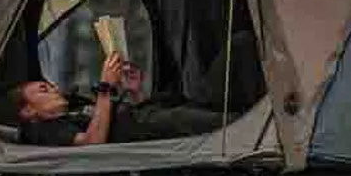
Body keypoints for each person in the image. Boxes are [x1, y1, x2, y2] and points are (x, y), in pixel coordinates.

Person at [13, 53, 226, 148]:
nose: (54, 89)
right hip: (154, 127)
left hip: (156, 113)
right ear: (28, 111)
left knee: (239, 46)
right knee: (222, 122)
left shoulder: (76, 106)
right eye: (44, 90)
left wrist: (134, 92)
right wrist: (105, 89)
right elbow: (91, 143)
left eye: (50, 85)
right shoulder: (48, 129)